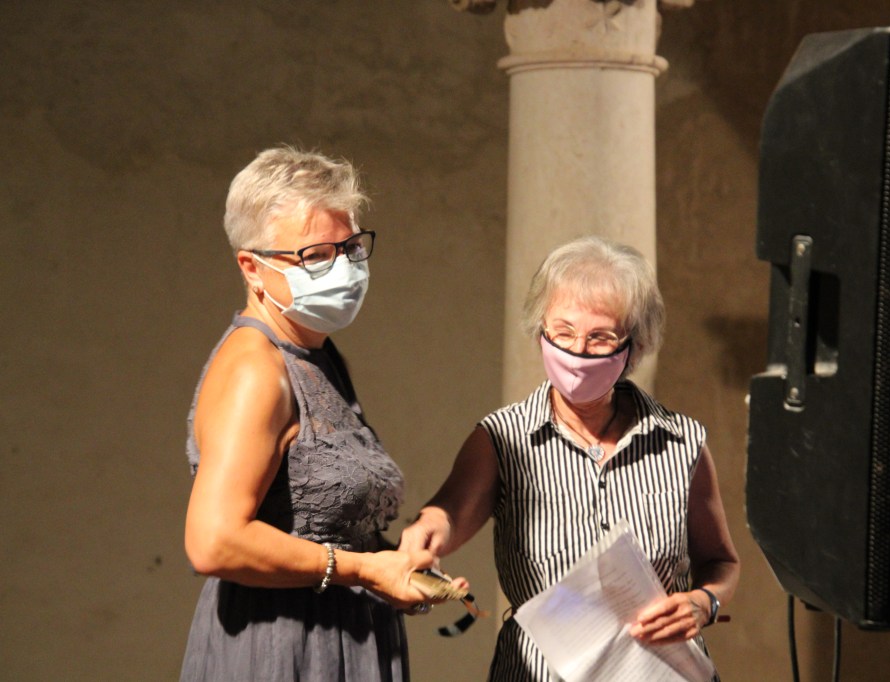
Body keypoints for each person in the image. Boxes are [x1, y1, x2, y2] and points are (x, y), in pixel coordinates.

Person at [400, 236, 740, 681]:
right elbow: (446, 517)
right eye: (563, 332)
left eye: (600, 338)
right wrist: (426, 533)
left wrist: (704, 602)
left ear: (633, 346)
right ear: (541, 330)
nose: (577, 351)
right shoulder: (503, 438)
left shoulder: (680, 442)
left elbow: (721, 561)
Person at [180, 146, 459, 681]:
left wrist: (398, 567)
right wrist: (363, 569)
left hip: (345, 639)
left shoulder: (317, 355)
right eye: (316, 256)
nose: (344, 268)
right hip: (279, 649)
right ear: (251, 267)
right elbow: (214, 541)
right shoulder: (257, 370)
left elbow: (320, 521)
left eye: (351, 247)